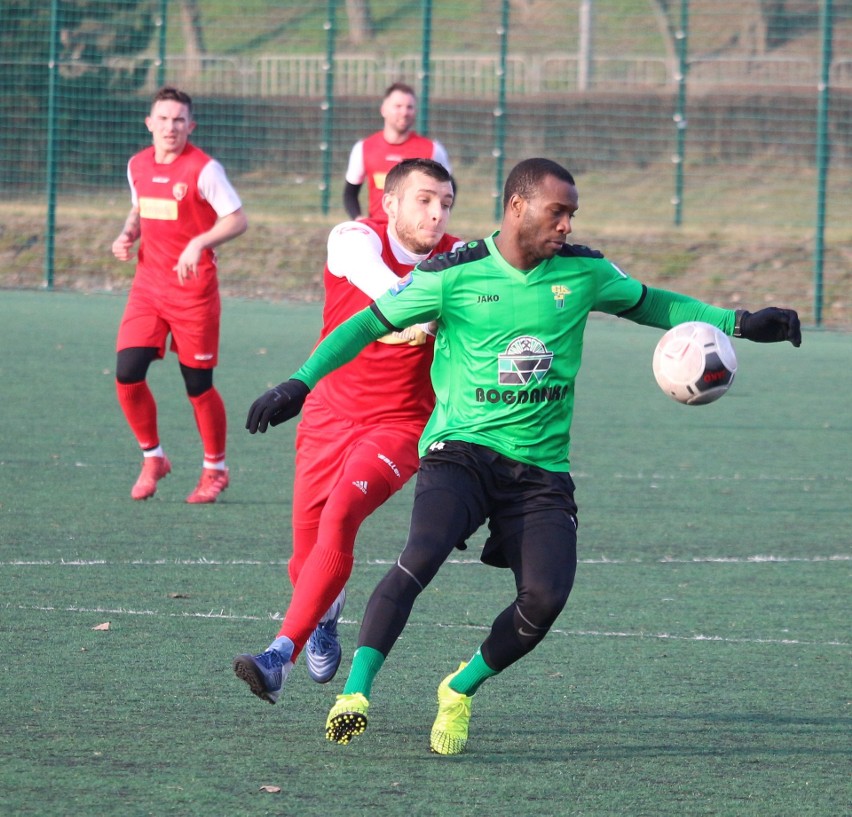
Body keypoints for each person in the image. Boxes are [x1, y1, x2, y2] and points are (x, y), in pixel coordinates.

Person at [245, 158, 801, 755]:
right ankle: (355, 693)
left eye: (571, 215)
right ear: (517, 207)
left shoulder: (583, 272)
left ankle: (458, 689)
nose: (566, 225)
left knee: (545, 599)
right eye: (556, 212)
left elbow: (651, 303)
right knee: (421, 555)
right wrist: (299, 385)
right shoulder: (453, 273)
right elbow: (365, 325)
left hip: (539, 471)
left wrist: (738, 323)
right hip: (460, 450)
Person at [233, 158, 463, 703]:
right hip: (325, 416)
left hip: (400, 426)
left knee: (342, 514)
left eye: (446, 203)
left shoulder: (461, 258)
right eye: (425, 200)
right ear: (389, 203)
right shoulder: (352, 238)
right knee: (304, 558)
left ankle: (277, 657)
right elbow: (384, 289)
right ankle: (324, 616)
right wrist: (425, 306)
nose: (437, 214)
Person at [111, 86, 248, 504]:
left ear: (191, 125)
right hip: (148, 287)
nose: (171, 127)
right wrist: (126, 234)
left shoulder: (204, 169)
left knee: (197, 384)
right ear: (149, 123)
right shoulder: (137, 165)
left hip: (194, 292)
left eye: (179, 120)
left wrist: (199, 242)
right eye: (163, 119)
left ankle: (215, 468)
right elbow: (140, 209)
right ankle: (154, 457)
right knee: (127, 372)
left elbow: (237, 220)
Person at [343, 82, 452, 223]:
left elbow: (449, 188)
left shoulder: (432, 149)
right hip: (379, 230)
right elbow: (350, 193)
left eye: (410, 107)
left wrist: (435, 218)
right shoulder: (364, 148)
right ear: (383, 110)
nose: (404, 112)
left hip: (415, 234)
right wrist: (358, 219)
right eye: (398, 106)